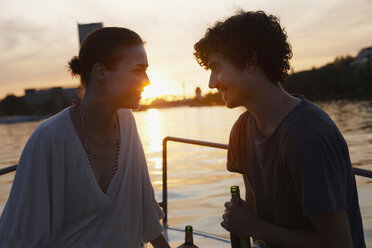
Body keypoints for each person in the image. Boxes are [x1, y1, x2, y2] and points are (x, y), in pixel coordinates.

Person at [193, 10, 366, 248]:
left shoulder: (309, 136)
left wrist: (253, 227)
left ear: (251, 60)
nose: (211, 83)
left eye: (216, 67)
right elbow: (256, 221)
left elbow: (340, 245)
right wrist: (252, 227)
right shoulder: (242, 130)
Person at [0, 27, 171, 248]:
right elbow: (21, 235)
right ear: (100, 72)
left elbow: (143, 204)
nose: (146, 80)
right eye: (138, 70)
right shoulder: (49, 139)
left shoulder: (127, 123)